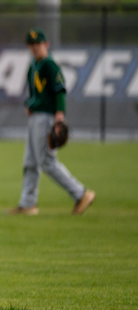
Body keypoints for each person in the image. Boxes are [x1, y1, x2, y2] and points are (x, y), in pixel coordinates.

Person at [8, 29, 96, 215]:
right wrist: (30, 104)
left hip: (47, 117)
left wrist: (59, 115)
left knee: (47, 162)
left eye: (38, 44)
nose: (35, 48)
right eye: (32, 45)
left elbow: (59, 89)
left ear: (46, 44)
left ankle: (81, 194)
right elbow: (36, 93)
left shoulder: (49, 65)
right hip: (35, 117)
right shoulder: (34, 65)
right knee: (30, 161)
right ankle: (28, 204)